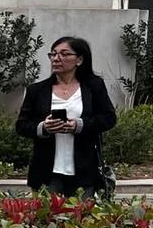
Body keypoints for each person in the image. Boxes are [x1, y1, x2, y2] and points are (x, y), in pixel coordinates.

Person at [17, 35, 117, 195]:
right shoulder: (37, 90)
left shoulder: (93, 87)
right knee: (47, 217)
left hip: (84, 171)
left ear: (79, 60)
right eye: (53, 54)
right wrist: (43, 127)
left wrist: (79, 125)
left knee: (82, 218)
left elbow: (108, 118)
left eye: (64, 54)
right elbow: (21, 125)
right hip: (47, 172)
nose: (56, 58)